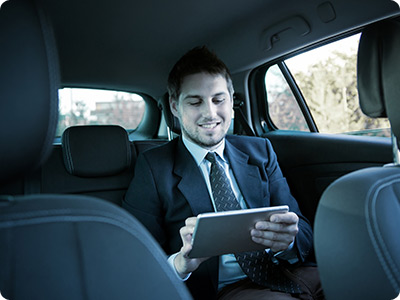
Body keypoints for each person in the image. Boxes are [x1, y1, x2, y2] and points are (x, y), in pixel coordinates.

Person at [122, 46, 323, 300]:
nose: (210, 113)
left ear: (231, 99)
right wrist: (181, 263)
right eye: (195, 102)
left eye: (219, 100)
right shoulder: (153, 167)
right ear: (174, 106)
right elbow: (134, 260)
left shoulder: (260, 150)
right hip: (225, 290)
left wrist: (289, 241)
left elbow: (302, 229)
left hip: (290, 272)